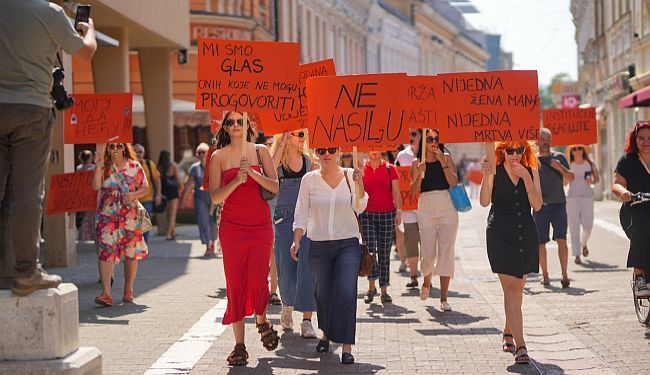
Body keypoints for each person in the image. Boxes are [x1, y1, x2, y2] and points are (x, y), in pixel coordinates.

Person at [1, 1, 97, 296]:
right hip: (32, 109)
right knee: (27, 193)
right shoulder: (49, 12)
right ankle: (27, 271)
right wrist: (88, 31)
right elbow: (84, 53)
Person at [209, 111, 279, 366]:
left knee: (258, 280)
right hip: (232, 228)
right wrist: (236, 182)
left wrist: (253, 173)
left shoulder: (261, 151)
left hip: (260, 226)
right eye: (231, 122)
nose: (236, 125)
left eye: (240, 121)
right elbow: (215, 197)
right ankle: (239, 345)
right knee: (235, 283)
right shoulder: (217, 156)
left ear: (248, 124)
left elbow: (274, 186)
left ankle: (261, 319)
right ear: (225, 128)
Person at [292, 147, 367, 365]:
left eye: (331, 149)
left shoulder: (351, 175)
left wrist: (360, 183)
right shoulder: (309, 180)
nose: (327, 153)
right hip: (319, 244)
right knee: (322, 294)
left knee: (346, 291)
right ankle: (326, 332)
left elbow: (360, 206)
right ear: (316, 153)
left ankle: (346, 346)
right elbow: (301, 212)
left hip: (348, 243)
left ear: (339, 151)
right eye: (321, 150)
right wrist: (296, 240)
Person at [479, 141, 542, 365]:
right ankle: (521, 346)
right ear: (501, 151)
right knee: (511, 288)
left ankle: (508, 330)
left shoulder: (532, 171)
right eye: (510, 150)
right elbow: (484, 201)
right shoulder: (494, 171)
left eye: (520, 150)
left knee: (518, 289)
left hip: (525, 234)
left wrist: (526, 178)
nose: (515, 155)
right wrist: (487, 175)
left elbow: (537, 205)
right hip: (499, 235)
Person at [270, 130, 317, 337]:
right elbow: (268, 171)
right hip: (283, 220)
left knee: (308, 269)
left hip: (307, 221)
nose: (301, 137)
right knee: (286, 270)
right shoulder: (277, 162)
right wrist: (281, 144)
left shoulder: (309, 162)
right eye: (297, 133)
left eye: (302, 133)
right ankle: (287, 304)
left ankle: (307, 320)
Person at [92, 143, 148, 306]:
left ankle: (128, 289)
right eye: (111, 146)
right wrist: (98, 164)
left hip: (128, 216)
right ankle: (106, 293)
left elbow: (145, 187)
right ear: (107, 149)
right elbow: (95, 186)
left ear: (124, 148)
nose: (115, 149)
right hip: (107, 217)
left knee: (130, 252)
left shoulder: (134, 166)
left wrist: (134, 194)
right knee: (106, 251)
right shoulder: (104, 166)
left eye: (118, 146)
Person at [410, 129, 459, 311]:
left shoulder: (446, 157)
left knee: (446, 252)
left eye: (437, 139)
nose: (434, 142)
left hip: (446, 205)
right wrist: (419, 174)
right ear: (424, 141)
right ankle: (427, 280)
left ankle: (443, 298)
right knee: (429, 254)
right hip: (427, 207)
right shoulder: (417, 162)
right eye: (430, 139)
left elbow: (453, 182)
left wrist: (443, 163)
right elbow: (414, 191)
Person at [612, 120, 650, 298]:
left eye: (649, 138)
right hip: (634, 209)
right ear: (634, 140)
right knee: (642, 228)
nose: (646, 142)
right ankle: (639, 275)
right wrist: (625, 193)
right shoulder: (628, 161)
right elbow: (616, 184)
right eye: (641, 138)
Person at [361, 151, 402, 304]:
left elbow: (397, 193)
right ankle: (371, 288)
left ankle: (384, 290)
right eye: (370, 147)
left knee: (384, 254)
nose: (373, 149)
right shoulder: (361, 168)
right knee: (370, 251)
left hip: (387, 214)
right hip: (367, 215)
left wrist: (398, 211)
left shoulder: (390, 168)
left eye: (376, 146)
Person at [535, 128, 574, 287]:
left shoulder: (559, 157)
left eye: (548, 139)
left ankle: (565, 275)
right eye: (542, 139)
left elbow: (571, 177)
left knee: (562, 240)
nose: (545, 142)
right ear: (537, 141)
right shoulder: (532, 160)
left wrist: (560, 167)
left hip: (558, 204)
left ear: (551, 141)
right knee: (541, 243)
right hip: (540, 207)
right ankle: (545, 275)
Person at [180, 143, 216, 256]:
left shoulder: (213, 165)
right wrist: (183, 200)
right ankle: (207, 245)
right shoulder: (194, 168)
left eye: (203, 152)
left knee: (213, 221)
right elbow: (188, 184)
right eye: (199, 152)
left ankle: (213, 243)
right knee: (203, 221)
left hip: (213, 197)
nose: (201, 154)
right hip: (200, 198)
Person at [396, 130, 422, 287]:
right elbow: (398, 180)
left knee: (427, 242)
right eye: (410, 134)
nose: (411, 137)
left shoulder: (432, 154)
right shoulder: (402, 156)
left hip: (426, 205)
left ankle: (427, 276)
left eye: (414, 134)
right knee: (411, 239)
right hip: (408, 206)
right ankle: (413, 275)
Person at [566, 145, 599, 265]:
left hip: (587, 197)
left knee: (588, 225)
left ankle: (584, 243)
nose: (577, 151)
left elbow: (597, 179)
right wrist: (565, 176)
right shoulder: (569, 165)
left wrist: (592, 181)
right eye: (574, 149)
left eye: (579, 148)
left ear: (583, 150)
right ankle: (577, 255)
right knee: (574, 227)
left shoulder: (589, 163)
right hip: (572, 199)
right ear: (571, 152)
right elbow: (564, 182)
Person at [134, 144, 162, 243]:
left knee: (145, 221)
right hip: (132, 200)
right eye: (135, 151)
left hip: (147, 199)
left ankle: (143, 243)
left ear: (144, 153)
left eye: (140, 152)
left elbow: (157, 179)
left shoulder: (149, 164)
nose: (137, 154)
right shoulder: (127, 165)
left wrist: (158, 194)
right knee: (134, 223)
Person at [158, 150, 181, 240]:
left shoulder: (159, 167)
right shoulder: (173, 165)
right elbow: (178, 179)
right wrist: (181, 186)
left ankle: (173, 232)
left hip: (164, 191)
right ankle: (168, 233)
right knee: (173, 213)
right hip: (173, 191)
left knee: (168, 213)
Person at [76, 150, 96, 241]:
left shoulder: (78, 168)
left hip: (82, 195)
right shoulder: (93, 168)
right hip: (92, 195)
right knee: (92, 217)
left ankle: (83, 236)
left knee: (84, 217)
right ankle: (91, 235)